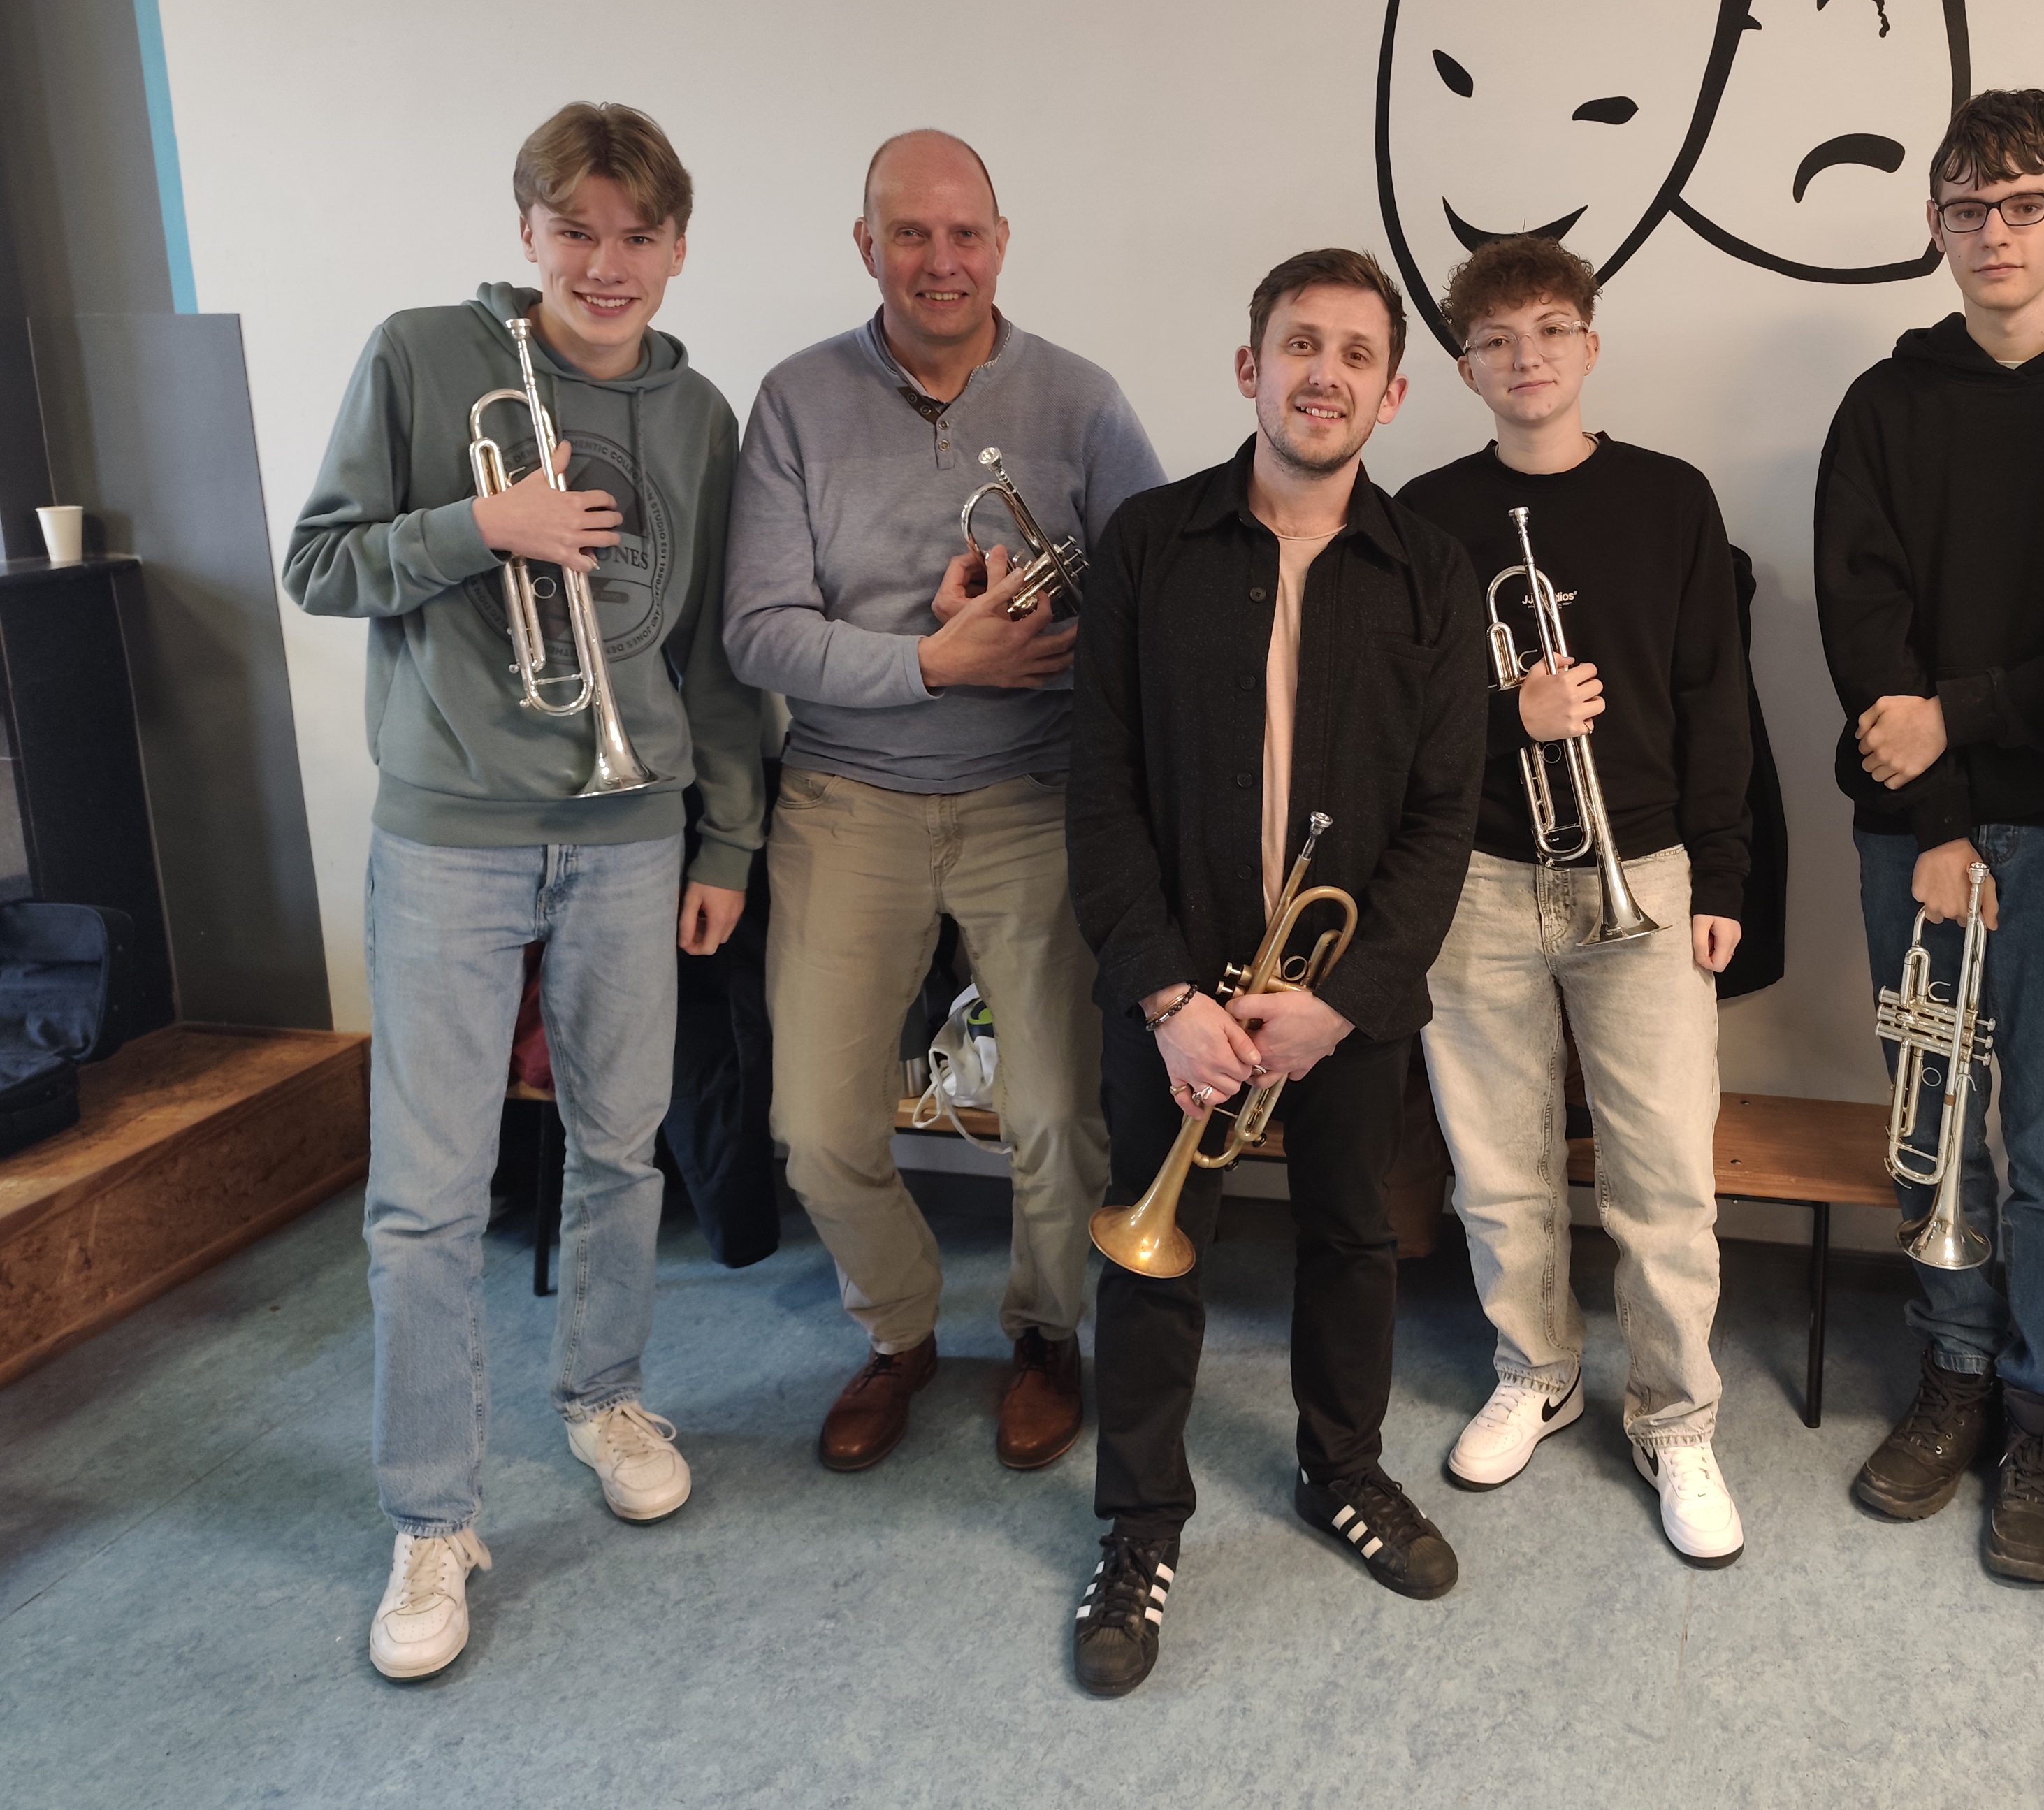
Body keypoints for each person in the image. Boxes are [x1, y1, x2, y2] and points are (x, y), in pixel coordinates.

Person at [284, 102, 764, 1681]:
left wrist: (725, 841)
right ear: (528, 232)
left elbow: (713, 651)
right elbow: (319, 563)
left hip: (633, 831)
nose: (605, 264)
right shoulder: (423, 356)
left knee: (622, 1148)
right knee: (426, 1198)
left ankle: (603, 1397)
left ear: (677, 248)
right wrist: (478, 525)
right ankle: (432, 1519)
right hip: (452, 834)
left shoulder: (698, 413)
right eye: (576, 231)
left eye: (637, 236)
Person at [1063, 247, 1484, 1697]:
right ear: (1251, 368)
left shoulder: (1433, 572)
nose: (1325, 375)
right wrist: (1166, 997)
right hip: (1175, 990)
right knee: (1153, 1248)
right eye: (1301, 345)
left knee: (1354, 1236)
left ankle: (1342, 1466)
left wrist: (1340, 1003)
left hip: (1335, 999)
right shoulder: (1148, 544)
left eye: (1358, 354)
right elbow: (1099, 789)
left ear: (1392, 393)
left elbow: (1444, 817)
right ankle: (1139, 1522)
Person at [725, 131, 1163, 1474]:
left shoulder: (1082, 401)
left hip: (1035, 793)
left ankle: (1044, 1333)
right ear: (867, 246)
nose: (940, 260)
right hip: (846, 796)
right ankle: (899, 1334)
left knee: (1057, 1118)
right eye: (909, 234)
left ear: (1002, 243)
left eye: (965, 233)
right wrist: (933, 661)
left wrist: (1036, 635)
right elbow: (757, 631)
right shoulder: (795, 401)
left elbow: (1154, 605)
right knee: (815, 1129)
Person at [1815, 87, 2044, 1586]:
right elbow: (1864, 629)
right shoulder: (1885, 404)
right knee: (1933, 1124)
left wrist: (1962, 716)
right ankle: (1956, 1374)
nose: (1994, 234)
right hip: (1920, 830)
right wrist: (1942, 817)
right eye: (1966, 209)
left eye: (2025, 204)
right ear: (1934, 224)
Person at [1396, 234, 1753, 1564]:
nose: (1526, 357)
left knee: (1664, 1176)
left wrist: (1725, 874)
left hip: (1644, 872)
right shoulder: (1426, 512)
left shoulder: (1672, 498)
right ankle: (1535, 1371)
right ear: (1465, 367)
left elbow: (1718, 697)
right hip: (1478, 882)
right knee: (1497, 1167)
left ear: (1590, 345)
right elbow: (1393, 714)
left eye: (1550, 330)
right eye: (1496, 340)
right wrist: (1515, 714)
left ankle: (1677, 1418)